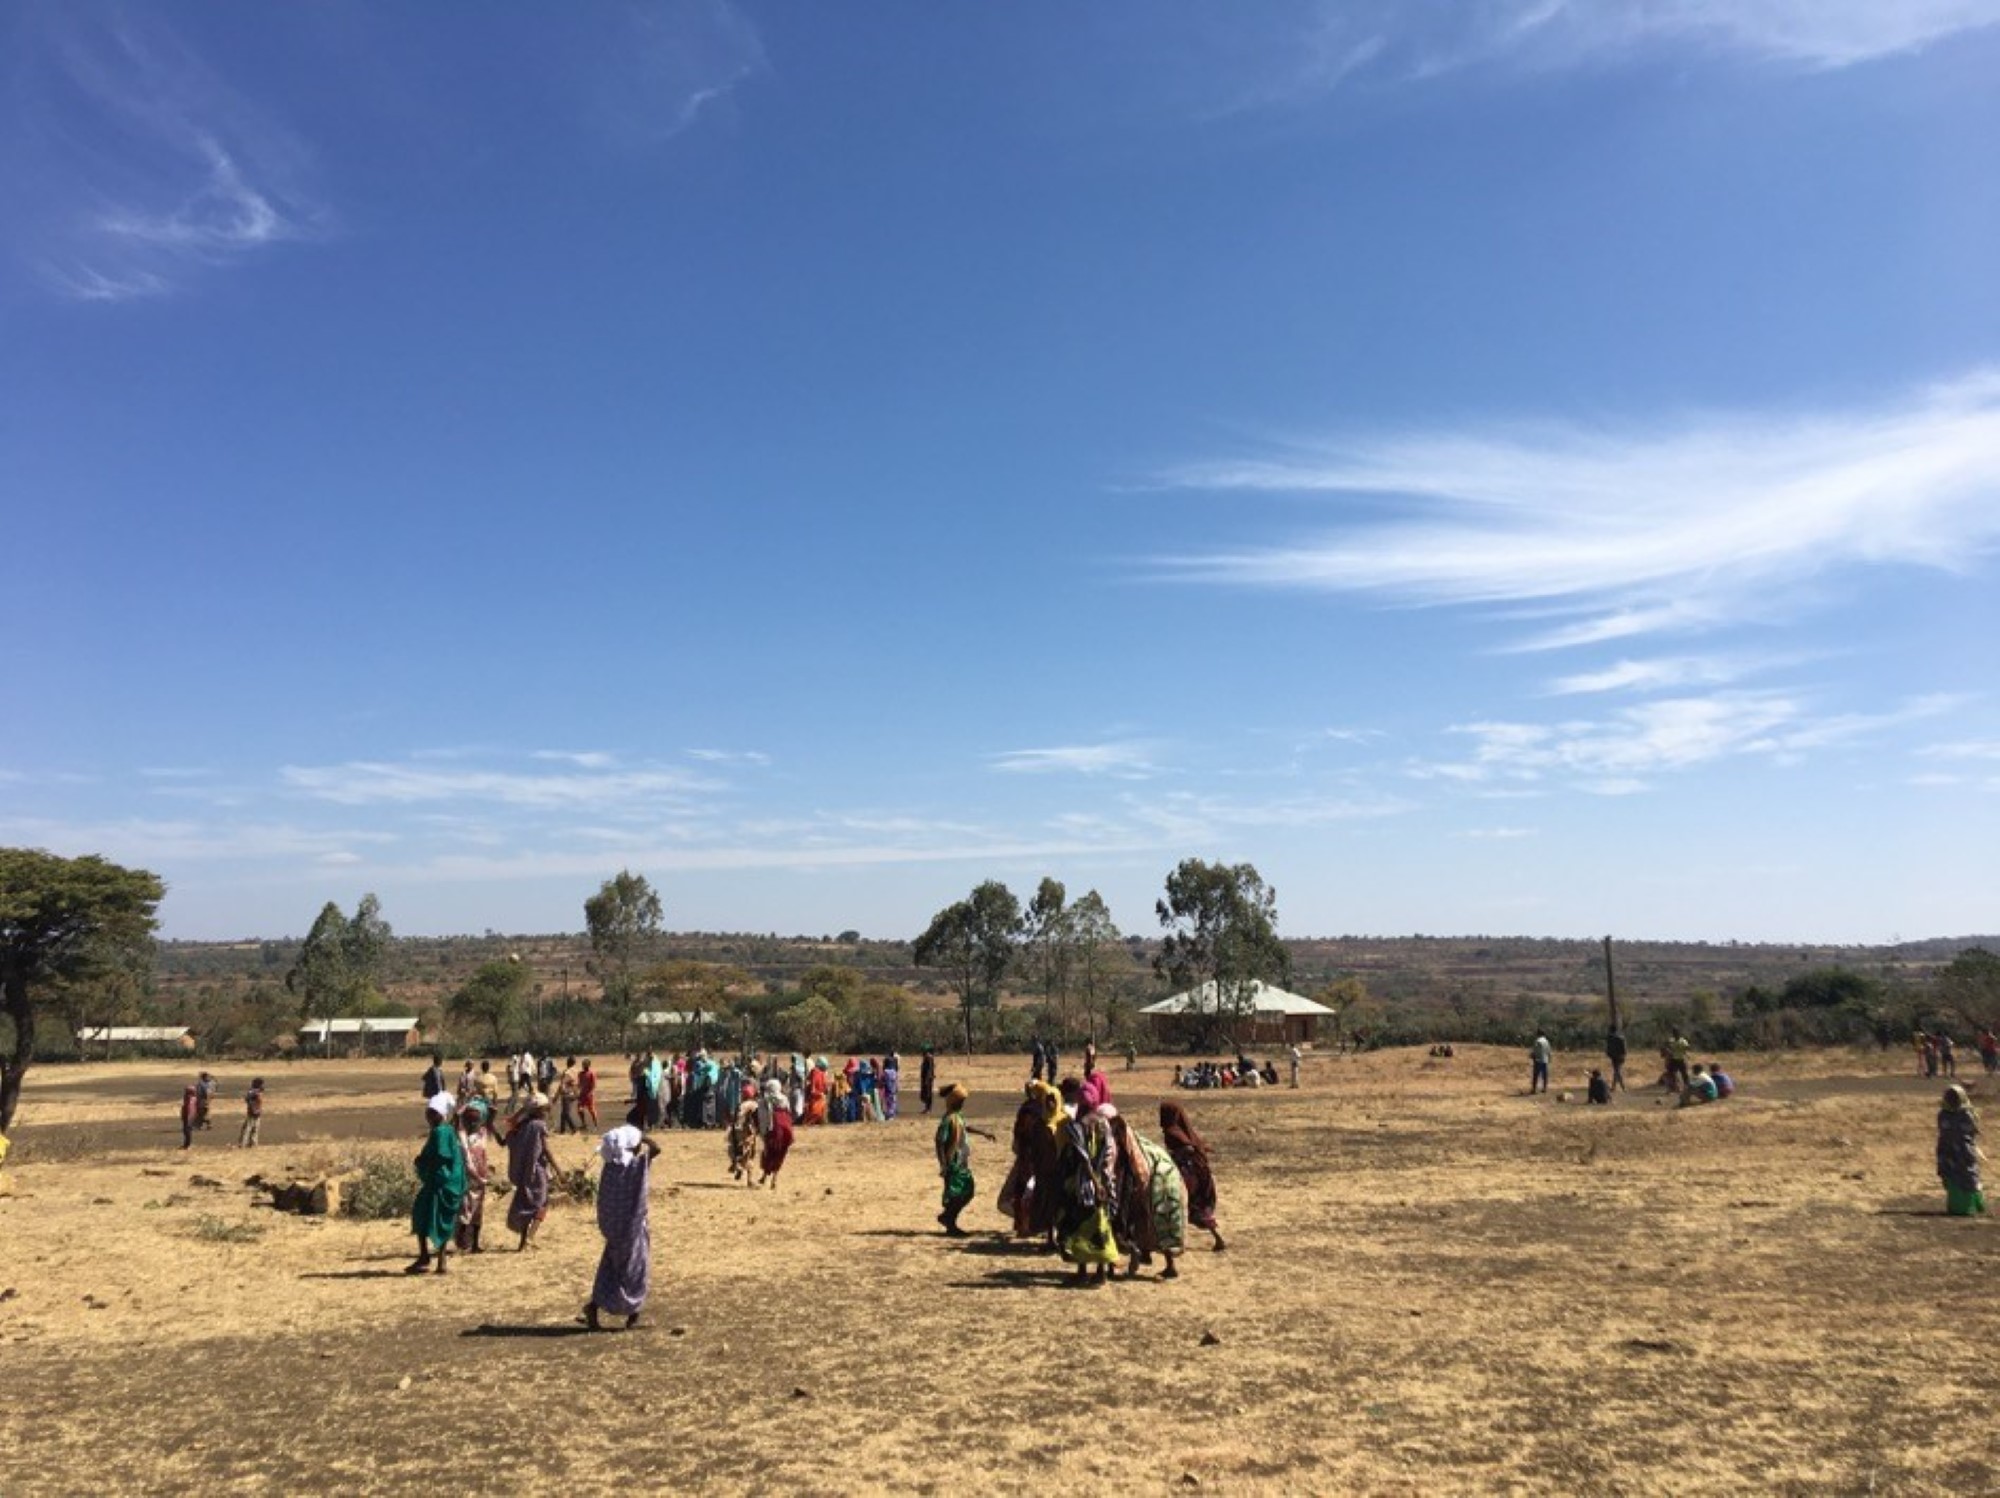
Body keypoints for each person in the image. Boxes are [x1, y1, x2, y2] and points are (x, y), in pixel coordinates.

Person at [585, 1124, 661, 1331]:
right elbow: (656, 1149)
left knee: (611, 1270)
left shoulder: (610, 1168)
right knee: (636, 1270)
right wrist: (642, 1137)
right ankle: (633, 1315)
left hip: (614, 1230)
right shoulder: (636, 1167)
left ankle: (595, 1307)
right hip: (633, 1230)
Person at [1057, 1078, 1121, 1285]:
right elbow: (1110, 1154)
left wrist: (1092, 1181)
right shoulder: (1104, 1124)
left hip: (1083, 1184)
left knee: (1079, 1226)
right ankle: (1101, 1271)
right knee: (1100, 1226)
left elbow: (1082, 1157)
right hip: (1103, 1182)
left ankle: (1082, 1270)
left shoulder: (1077, 1127)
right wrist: (1104, 1182)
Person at [409, 1092, 466, 1274]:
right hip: (448, 1181)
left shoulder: (441, 1132)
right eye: (428, 1112)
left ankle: (436, 1260)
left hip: (442, 1182)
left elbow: (441, 1158)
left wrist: (422, 1163)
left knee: (432, 1217)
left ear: (441, 1114)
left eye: (433, 1113)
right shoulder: (446, 1130)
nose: (429, 1116)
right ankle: (427, 1257)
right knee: (429, 1217)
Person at [1159, 1100, 1226, 1252]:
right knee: (1198, 1208)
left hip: (1189, 1176)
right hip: (1199, 1173)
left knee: (1188, 1207)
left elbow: (1186, 1149)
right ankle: (1216, 1237)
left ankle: (1177, 1242)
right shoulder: (1183, 1129)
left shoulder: (1172, 1132)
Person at [502, 1092, 555, 1250]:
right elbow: (546, 1150)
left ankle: (523, 1241)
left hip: (524, 1172)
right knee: (542, 1202)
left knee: (527, 1202)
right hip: (537, 1171)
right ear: (537, 1111)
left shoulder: (522, 1125)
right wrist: (558, 1170)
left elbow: (507, 1141)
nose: (546, 1113)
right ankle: (529, 1237)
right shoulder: (539, 1126)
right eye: (545, 1110)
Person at [935, 1083, 977, 1237]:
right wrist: (944, 1164)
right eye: (961, 1102)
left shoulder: (957, 1117)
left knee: (966, 1190)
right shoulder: (949, 1119)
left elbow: (965, 1127)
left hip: (961, 1161)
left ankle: (948, 1218)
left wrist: (983, 1133)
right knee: (958, 1193)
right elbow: (939, 1141)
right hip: (953, 1163)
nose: (963, 1104)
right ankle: (949, 1221)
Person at [1938, 1084, 1985, 1217]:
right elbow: (1943, 1131)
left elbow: (1972, 1131)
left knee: (1969, 1175)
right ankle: (1957, 1206)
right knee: (1950, 1174)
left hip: (1964, 1150)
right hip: (1948, 1149)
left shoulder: (1967, 1114)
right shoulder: (1943, 1114)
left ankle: (1971, 1205)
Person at [455, 1099, 493, 1253]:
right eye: (469, 1118)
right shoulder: (461, 1136)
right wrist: (479, 1178)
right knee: (466, 1210)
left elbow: (492, 1112)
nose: (472, 1122)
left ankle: (475, 1244)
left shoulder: (482, 1133)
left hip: (480, 1178)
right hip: (467, 1178)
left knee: (477, 1211)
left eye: (476, 1119)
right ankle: (463, 1243)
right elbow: (467, 1161)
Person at [757, 1078, 794, 1188]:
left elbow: (763, 1118)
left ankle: (764, 1176)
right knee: (780, 1154)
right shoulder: (784, 1099)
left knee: (769, 1153)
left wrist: (763, 1132)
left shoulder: (765, 1100)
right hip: (787, 1130)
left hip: (774, 1129)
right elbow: (789, 1112)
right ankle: (774, 1179)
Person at [237, 1077, 266, 1147]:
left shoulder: (254, 1091)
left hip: (255, 1112)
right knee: (251, 1128)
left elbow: (247, 1099)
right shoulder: (254, 1092)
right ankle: (246, 1143)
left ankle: (249, 1143)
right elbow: (248, 1099)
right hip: (254, 1112)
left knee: (252, 1128)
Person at [578, 1058, 600, 1129]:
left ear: (588, 1065)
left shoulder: (591, 1074)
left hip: (589, 1095)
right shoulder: (580, 1074)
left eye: (585, 1065)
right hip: (582, 1094)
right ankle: (584, 1124)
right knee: (580, 1109)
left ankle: (595, 1125)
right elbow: (579, 1084)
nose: (583, 1066)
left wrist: (590, 1093)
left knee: (591, 1110)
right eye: (583, 1065)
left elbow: (593, 1085)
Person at [179, 1084, 199, 1150]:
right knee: (187, 1131)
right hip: (191, 1116)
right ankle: (186, 1144)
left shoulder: (189, 1098)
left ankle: (187, 1145)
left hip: (188, 1116)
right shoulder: (193, 1098)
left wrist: (187, 1116)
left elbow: (189, 1108)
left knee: (187, 1131)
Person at [919, 1047, 937, 1115]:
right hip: (925, 1078)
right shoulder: (926, 1058)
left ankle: (928, 1109)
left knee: (928, 1094)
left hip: (928, 1079)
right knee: (925, 1094)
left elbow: (929, 1069)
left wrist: (927, 1079)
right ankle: (926, 1108)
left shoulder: (929, 1058)